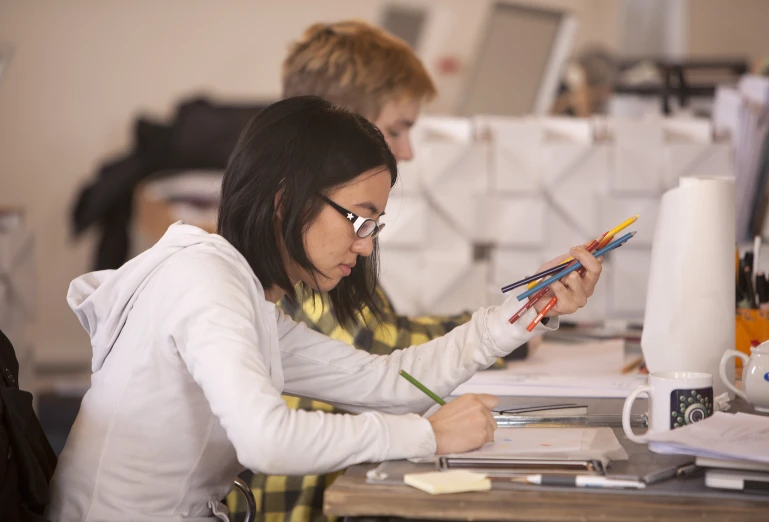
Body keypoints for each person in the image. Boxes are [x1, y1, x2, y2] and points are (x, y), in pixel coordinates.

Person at [46, 97, 602, 521]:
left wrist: (528, 309)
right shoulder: (206, 283)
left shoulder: (243, 292)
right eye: (359, 220)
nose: (365, 246)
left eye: (375, 227)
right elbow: (266, 440)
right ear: (287, 200)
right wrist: (427, 436)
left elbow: (389, 382)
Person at [244, 22, 506, 522]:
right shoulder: (285, 262)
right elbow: (377, 347)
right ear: (343, 132)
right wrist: (430, 433)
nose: (405, 151)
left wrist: (513, 320)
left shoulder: (314, 246)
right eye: (395, 130)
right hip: (301, 500)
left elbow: (380, 375)